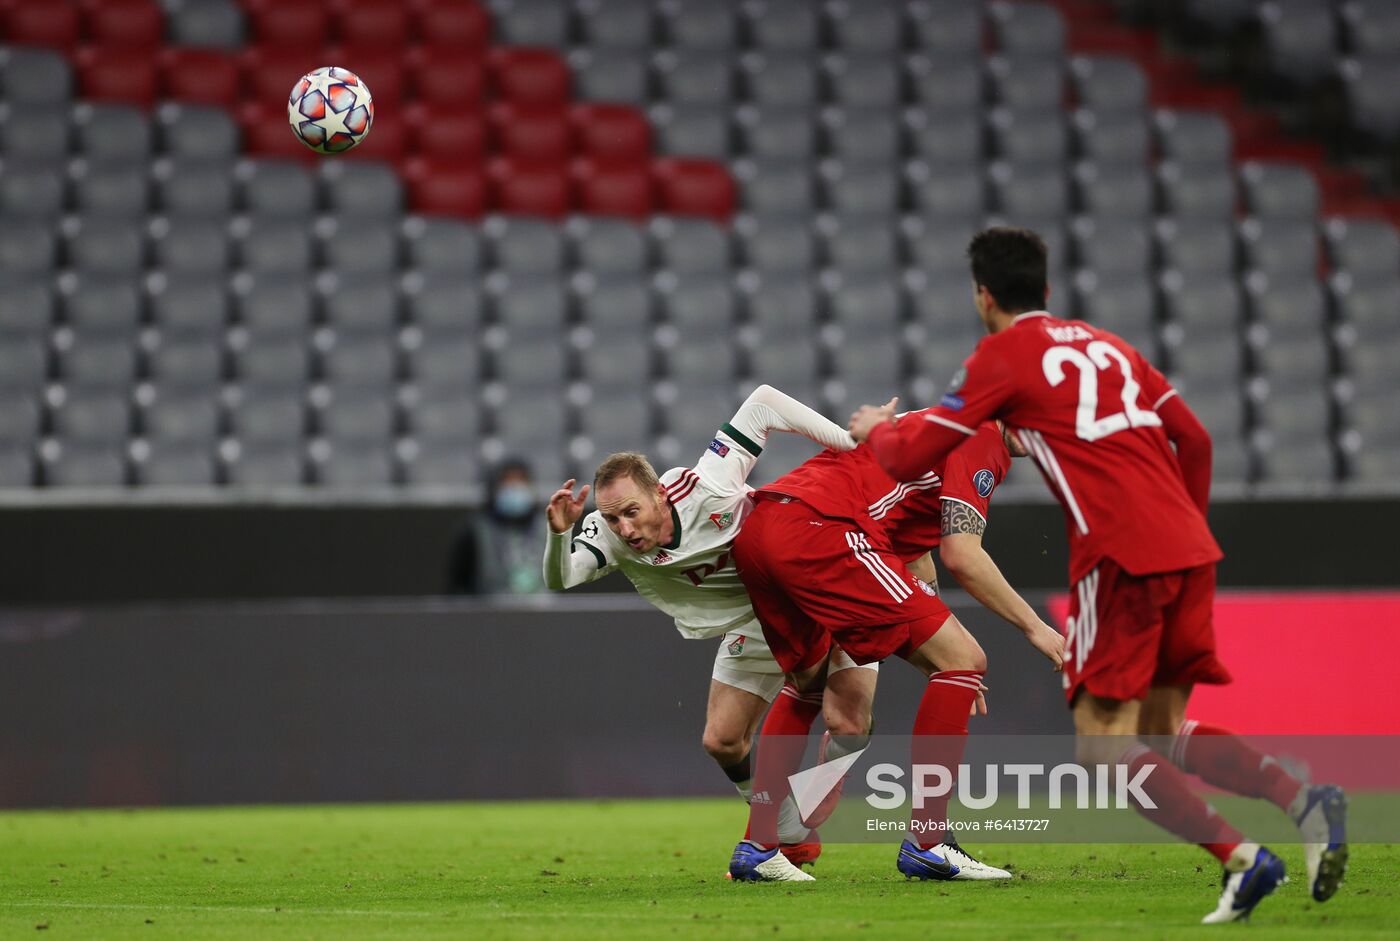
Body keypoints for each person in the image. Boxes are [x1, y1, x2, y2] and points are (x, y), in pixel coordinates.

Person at [848, 226, 1347, 923]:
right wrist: (1185, 527)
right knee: (1161, 726)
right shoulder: (1111, 346)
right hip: (1190, 547)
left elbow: (906, 457)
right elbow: (1195, 439)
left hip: (1120, 552)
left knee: (1101, 746)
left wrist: (875, 427)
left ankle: (1241, 857)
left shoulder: (1001, 355)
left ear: (983, 297)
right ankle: (1302, 800)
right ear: (1048, 291)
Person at [543, 384, 875, 883]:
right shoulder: (608, 535)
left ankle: (820, 784)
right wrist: (558, 534)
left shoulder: (707, 485)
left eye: (631, 511)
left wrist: (852, 445)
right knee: (721, 741)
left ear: (659, 493)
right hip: (751, 623)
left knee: (848, 724)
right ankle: (784, 825)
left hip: (810, 593)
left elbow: (764, 402)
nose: (625, 528)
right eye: (612, 517)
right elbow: (560, 578)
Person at [727, 414, 1065, 882]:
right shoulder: (981, 437)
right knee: (966, 660)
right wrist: (1032, 627)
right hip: (826, 529)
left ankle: (759, 847)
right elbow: (962, 554)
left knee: (806, 684)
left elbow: (911, 552)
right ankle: (929, 843)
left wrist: (946, 663)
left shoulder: (936, 424)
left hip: (764, 527)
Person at [448, 458, 547, 594]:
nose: (515, 487)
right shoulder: (474, 531)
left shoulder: (550, 529)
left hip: (542, 612)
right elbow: (457, 587)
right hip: (489, 613)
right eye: (507, 481)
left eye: (521, 480)